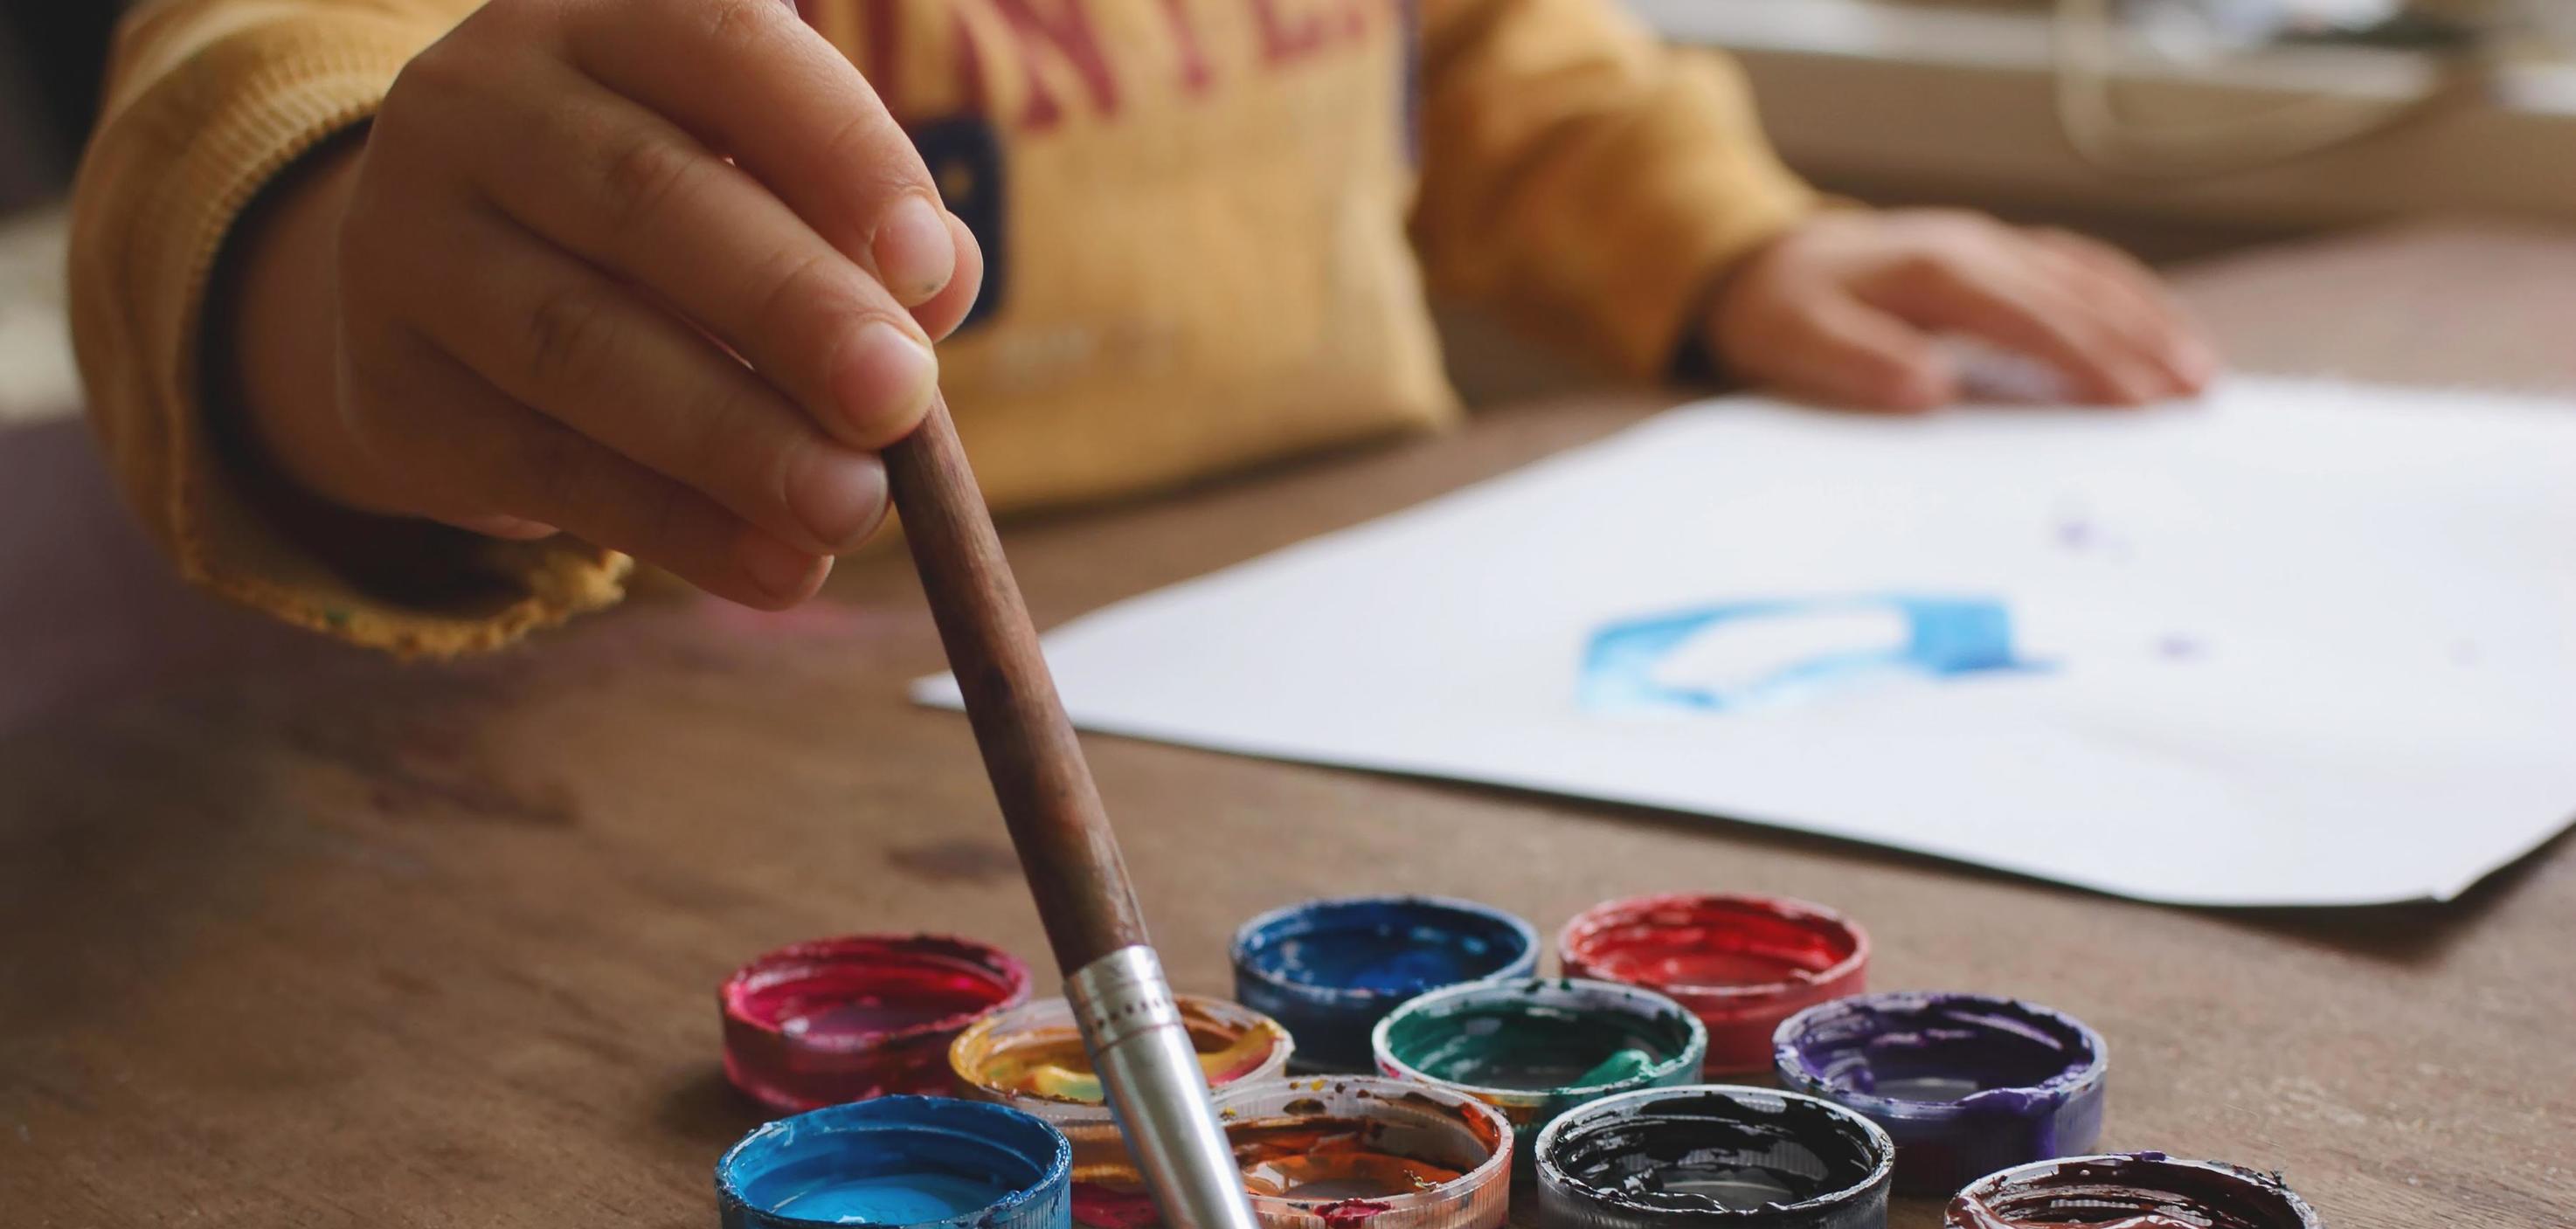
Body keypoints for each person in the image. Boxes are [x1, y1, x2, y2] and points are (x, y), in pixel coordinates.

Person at [70, 0, 2212, 656]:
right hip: (722, 694)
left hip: (1348, 631)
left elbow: (1485, 59)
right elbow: (248, 89)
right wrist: (332, 286)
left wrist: (1722, 243)